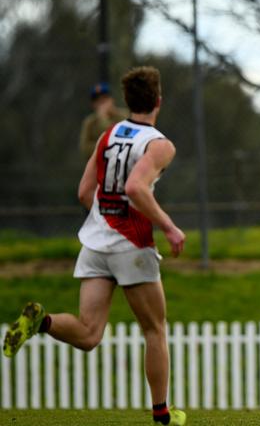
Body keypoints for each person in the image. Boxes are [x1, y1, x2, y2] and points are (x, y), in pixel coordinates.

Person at [3, 67, 187, 426]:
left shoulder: (108, 135)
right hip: (132, 244)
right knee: (155, 329)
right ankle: (163, 414)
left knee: (89, 333)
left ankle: (43, 321)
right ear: (158, 102)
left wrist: (106, 218)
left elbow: (84, 193)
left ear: (128, 102)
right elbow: (136, 188)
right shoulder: (160, 144)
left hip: (95, 242)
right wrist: (169, 226)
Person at [79, 82, 129, 159]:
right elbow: (85, 148)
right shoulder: (90, 122)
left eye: (104, 99)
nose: (101, 103)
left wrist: (104, 121)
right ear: (93, 104)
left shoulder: (124, 116)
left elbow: (121, 140)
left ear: (111, 100)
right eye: (98, 101)